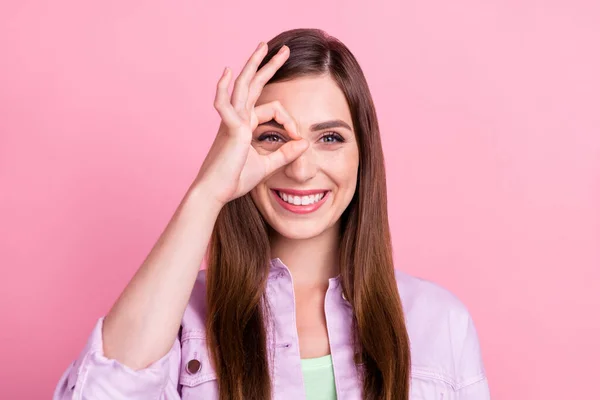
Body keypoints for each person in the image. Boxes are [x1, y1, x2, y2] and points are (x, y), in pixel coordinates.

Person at [53, 28, 490, 400]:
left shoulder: (440, 323)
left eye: (330, 138)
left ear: (363, 154)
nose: (300, 168)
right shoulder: (181, 319)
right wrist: (208, 192)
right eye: (273, 137)